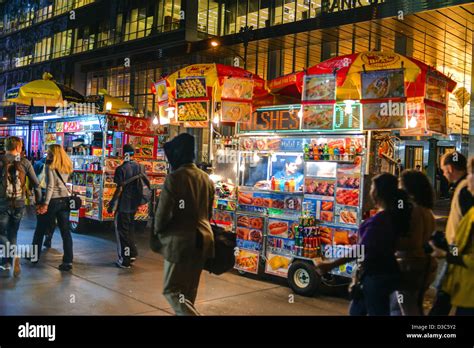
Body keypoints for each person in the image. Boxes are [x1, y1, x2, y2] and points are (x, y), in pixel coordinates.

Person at [316, 173, 412, 316]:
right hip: (384, 273)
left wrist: (331, 264)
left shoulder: (380, 221)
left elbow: (362, 249)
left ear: (378, 193)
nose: (370, 191)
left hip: (375, 276)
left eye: (372, 187)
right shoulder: (392, 216)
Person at [153, 133, 215, 316]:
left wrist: (158, 233)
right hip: (203, 240)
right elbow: (208, 213)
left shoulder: (175, 178)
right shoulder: (206, 179)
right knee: (188, 293)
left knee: (171, 290)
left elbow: (162, 215)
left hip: (181, 242)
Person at [430, 156, 474, 315]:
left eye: (443, 169)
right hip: (458, 252)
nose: (443, 173)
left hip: (459, 252)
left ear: (449, 168)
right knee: (446, 296)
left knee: (445, 296)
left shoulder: (464, 189)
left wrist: (451, 253)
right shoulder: (462, 188)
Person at [391, 170, 436, 315]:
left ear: (408, 188)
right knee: (411, 306)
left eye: (400, 184)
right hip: (422, 266)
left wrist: (393, 242)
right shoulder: (427, 211)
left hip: (409, 267)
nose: (398, 188)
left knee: (406, 308)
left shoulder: (414, 211)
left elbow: (413, 242)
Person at [0, 136, 42, 276]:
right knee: (13, 233)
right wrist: (39, 201)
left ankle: (10, 257)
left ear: (6, 146)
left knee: (2, 233)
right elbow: (36, 183)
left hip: (3, 203)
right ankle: (7, 261)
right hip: (19, 203)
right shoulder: (24, 162)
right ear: (18, 147)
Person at [108, 144, 150, 269]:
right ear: (133, 154)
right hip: (135, 204)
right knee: (130, 230)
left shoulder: (121, 169)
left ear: (123, 153)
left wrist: (112, 204)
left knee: (122, 233)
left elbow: (119, 189)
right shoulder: (140, 167)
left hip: (124, 205)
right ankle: (132, 254)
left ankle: (125, 260)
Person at [34, 144, 74, 271]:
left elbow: (50, 186)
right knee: (65, 231)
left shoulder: (49, 166)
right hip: (65, 200)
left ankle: (34, 256)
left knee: (40, 228)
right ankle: (68, 261)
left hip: (53, 201)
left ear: (53, 153)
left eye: (49, 152)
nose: (47, 153)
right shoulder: (67, 165)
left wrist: (45, 203)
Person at [34, 154, 55, 248]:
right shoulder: (57, 165)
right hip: (52, 195)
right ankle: (48, 236)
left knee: (41, 220)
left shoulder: (38, 164)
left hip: (42, 193)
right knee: (51, 218)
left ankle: (45, 237)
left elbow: (33, 180)